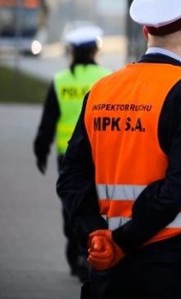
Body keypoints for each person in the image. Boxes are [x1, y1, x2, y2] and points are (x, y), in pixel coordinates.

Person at [56, 0, 181, 298]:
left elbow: (71, 176)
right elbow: (176, 187)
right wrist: (122, 242)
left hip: (107, 267)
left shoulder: (102, 89)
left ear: (146, 31)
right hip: (169, 267)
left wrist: (95, 235)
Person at [33, 24, 111, 281]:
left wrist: (41, 150)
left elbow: (48, 121)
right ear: (95, 50)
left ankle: (76, 255)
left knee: (72, 205)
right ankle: (95, 250)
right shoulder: (107, 78)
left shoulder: (60, 81)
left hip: (67, 156)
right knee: (97, 205)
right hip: (99, 155)